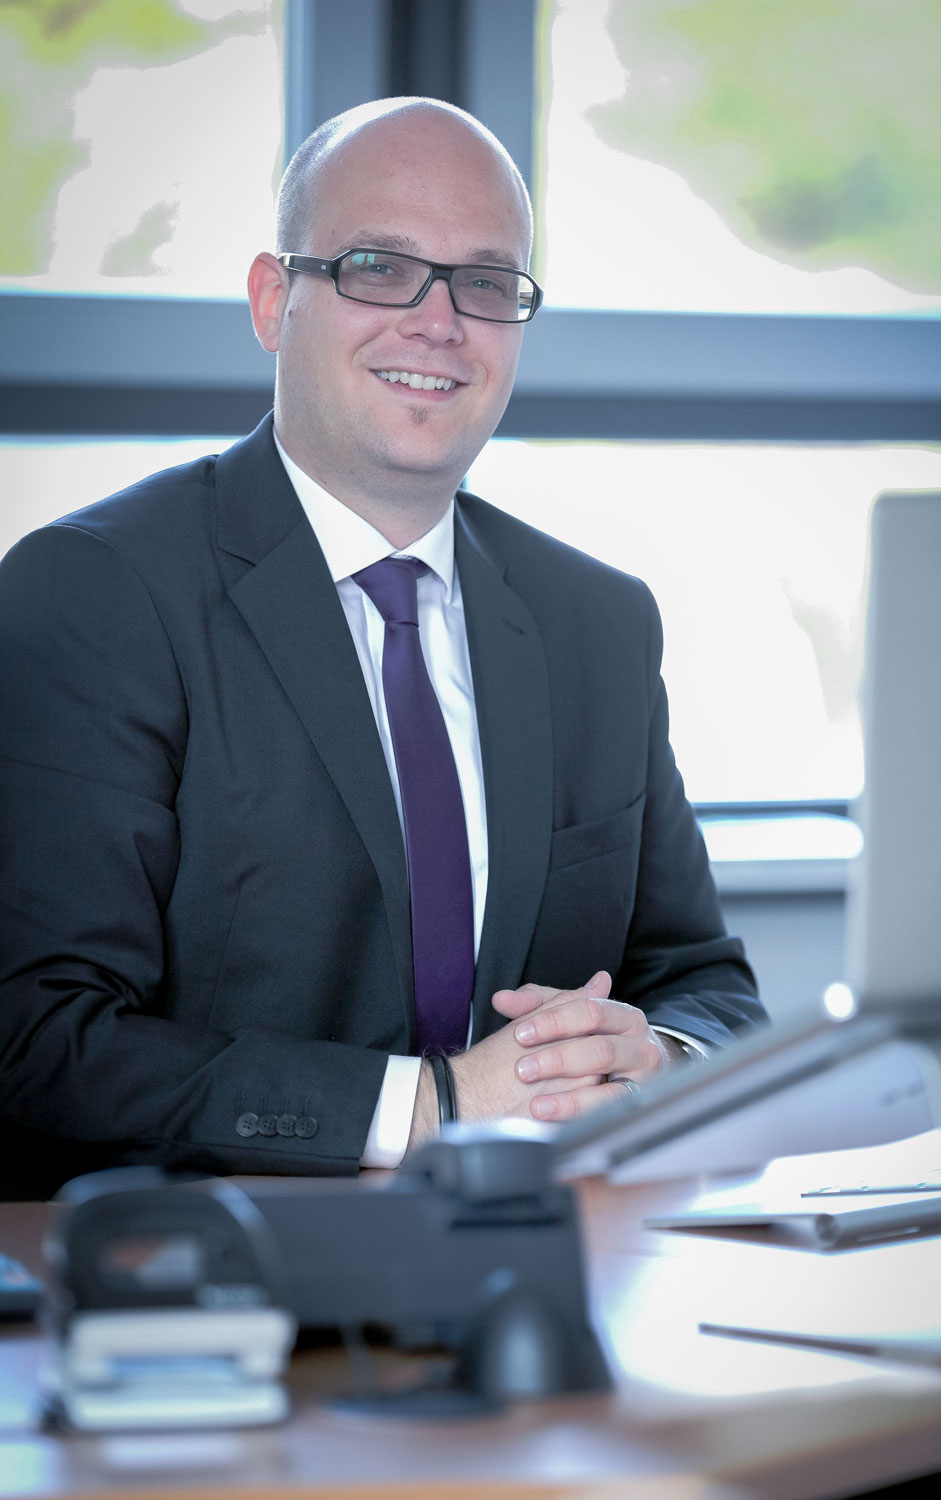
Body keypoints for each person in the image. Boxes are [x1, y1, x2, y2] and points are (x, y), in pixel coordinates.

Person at [0, 97, 763, 1200]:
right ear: (274, 301)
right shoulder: (96, 592)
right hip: (217, 1265)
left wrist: (656, 1066)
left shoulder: (597, 621)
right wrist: (434, 1107)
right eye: (379, 268)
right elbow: (36, 1043)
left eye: (485, 283)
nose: (437, 322)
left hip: (548, 1262)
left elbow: (707, 986)